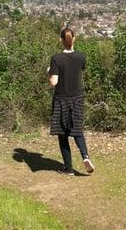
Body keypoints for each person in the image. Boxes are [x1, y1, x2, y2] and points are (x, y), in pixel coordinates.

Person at [47, 27, 95, 175]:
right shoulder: (81, 56)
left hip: (62, 99)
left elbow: (54, 82)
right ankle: (85, 156)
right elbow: (79, 70)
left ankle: (68, 168)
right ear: (74, 39)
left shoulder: (56, 59)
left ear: (61, 40)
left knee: (63, 134)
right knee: (77, 129)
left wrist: (49, 71)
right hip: (77, 98)